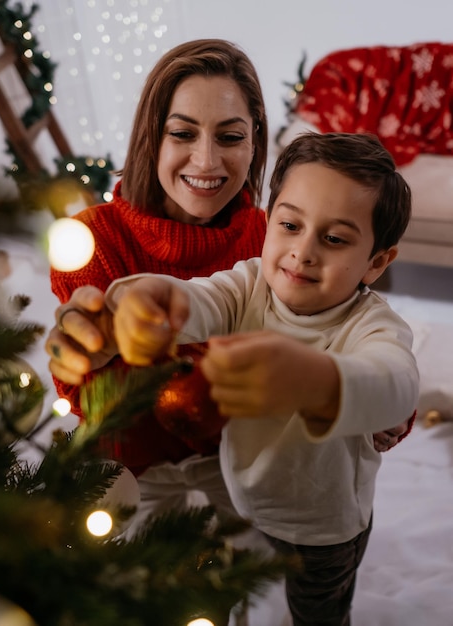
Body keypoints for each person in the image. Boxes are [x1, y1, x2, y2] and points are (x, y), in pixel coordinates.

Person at [105, 131, 420, 626]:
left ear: (377, 262)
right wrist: (148, 298)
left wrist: (318, 380)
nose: (303, 251)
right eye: (290, 224)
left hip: (326, 526)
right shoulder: (248, 285)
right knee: (228, 587)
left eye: (334, 239)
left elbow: (396, 384)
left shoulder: (370, 326)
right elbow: (197, 298)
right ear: (269, 222)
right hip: (244, 498)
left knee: (318, 609)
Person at [46, 39, 269, 542]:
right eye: (182, 133)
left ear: (255, 141)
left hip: (236, 452)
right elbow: (85, 392)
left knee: (250, 573)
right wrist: (85, 358)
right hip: (131, 465)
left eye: (230, 137)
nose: (207, 160)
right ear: (153, 137)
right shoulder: (93, 241)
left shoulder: (270, 238)